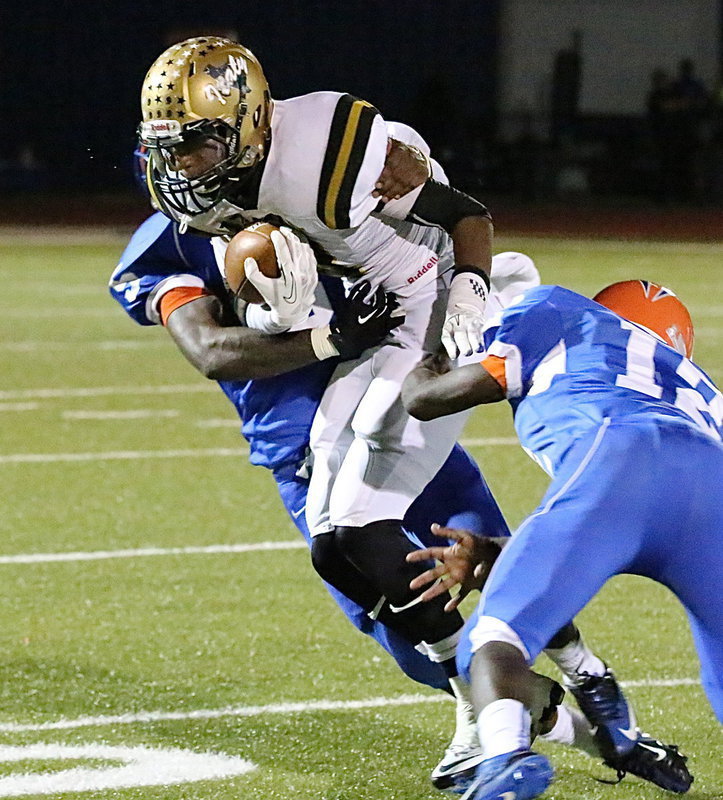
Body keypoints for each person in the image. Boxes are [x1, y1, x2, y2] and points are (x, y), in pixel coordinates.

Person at [136, 34, 496, 769]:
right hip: (364, 337)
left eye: (197, 144)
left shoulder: (328, 149)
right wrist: (300, 314)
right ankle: (481, 695)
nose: (182, 166)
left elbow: (460, 211)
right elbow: (220, 342)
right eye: (170, 148)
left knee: (417, 533)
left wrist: (469, 286)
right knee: (335, 550)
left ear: (245, 123)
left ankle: (556, 688)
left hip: (422, 311)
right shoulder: (193, 210)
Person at [402, 279, 720, 798]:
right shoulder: (699, 387)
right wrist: (505, 553)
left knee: (493, 638)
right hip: (714, 481)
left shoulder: (560, 310)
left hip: (622, 455)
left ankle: (506, 757)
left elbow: (427, 399)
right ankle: (590, 680)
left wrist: (422, 363)